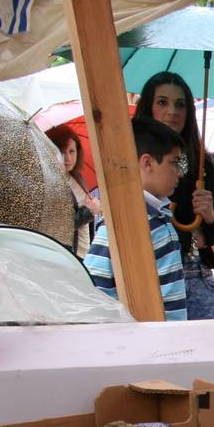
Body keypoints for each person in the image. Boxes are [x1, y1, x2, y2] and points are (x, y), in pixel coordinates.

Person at [135, 72, 214, 320]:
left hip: (196, 275)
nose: (172, 111)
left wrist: (208, 217)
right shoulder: (130, 158)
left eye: (180, 104)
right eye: (162, 102)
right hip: (147, 275)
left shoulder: (200, 163)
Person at [84, 116, 188, 320]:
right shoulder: (127, 223)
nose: (179, 173)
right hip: (151, 343)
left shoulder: (157, 217)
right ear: (147, 162)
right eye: (174, 163)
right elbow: (95, 286)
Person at [44, 124, 101, 257]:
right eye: (62, 152)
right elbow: (57, 227)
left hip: (84, 252)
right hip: (67, 256)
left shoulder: (76, 176)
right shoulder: (52, 184)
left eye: (71, 151)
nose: (68, 158)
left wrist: (94, 207)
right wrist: (88, 211)